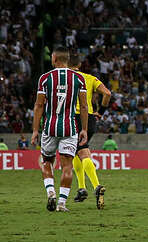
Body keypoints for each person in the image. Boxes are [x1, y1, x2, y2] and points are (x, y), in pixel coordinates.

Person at [31, 46, 88, 212]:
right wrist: (84, 129)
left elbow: (39, 105)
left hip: (50, 128)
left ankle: (51, 193)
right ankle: (62, 204)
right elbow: (84, 106)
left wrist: (35, 130)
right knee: (67, 166)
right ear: (68, 60)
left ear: (54, 58)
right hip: (70, 128)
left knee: (47, 162)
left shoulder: (44, 78)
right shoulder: (78, 78)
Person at [68, 53, 111, 209]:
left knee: (80, 151)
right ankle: (81, 188)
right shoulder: (90, 78)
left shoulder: (65, 78)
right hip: (90, 118)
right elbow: (107, 93)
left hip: (72, 118)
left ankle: (95, 186)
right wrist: (102, 111)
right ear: (79, 65)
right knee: (78, 151)